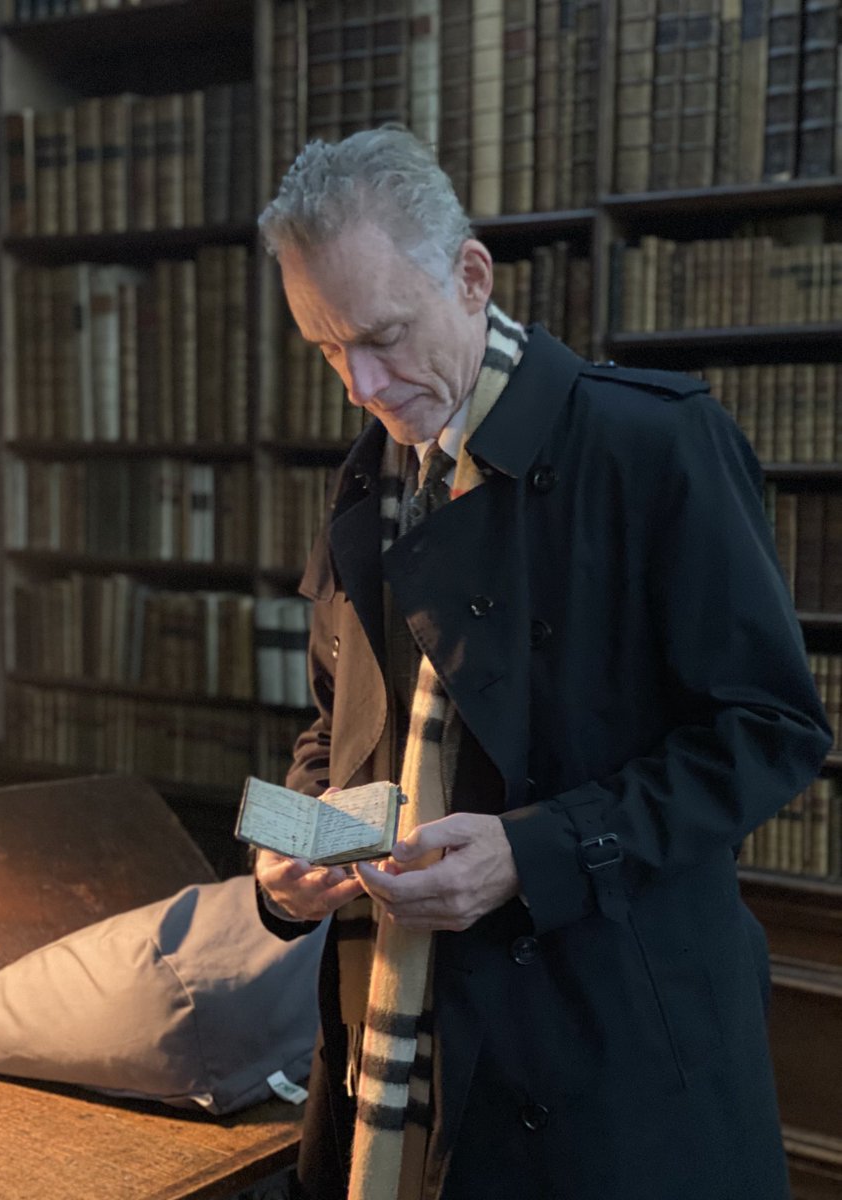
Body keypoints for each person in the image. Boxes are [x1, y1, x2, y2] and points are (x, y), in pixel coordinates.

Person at [253, 125, 831, 1200]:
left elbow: (773, 731)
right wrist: (292, 858)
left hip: (612, 1058)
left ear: (471, 278)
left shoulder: (653, 445)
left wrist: (536, 851)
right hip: (391, 1032)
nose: (360, 385)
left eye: (381, 334)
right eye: (327, 348)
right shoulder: (369, 469)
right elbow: (337, 731)